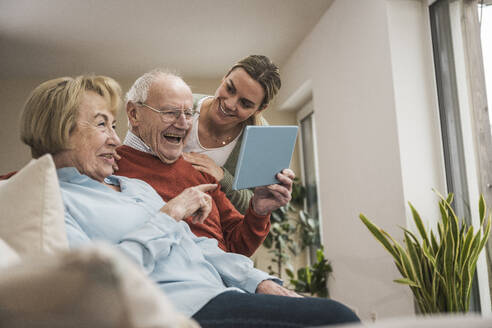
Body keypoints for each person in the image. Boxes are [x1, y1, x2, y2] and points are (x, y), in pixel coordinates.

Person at [19, 74, 360, 328]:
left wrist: (259, 278)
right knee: (335, 319)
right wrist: (170, 215)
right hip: (179, 310)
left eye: (188, 113)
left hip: (223, 293)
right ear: (61, 131)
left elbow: (205, 244)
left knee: (338, 314)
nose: (113, 137)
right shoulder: (49, 199)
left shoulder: (135, 186)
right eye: (101, 125)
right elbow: (93, 286)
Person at [116, 69, 293, 256]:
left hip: (221, 278)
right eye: (170, 112)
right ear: (134, 114)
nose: (183, 124)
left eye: (188, 113)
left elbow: (236, 246)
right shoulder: (109, 168)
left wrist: (259, 211)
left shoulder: (201, 171)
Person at [183, 55, 278, 214]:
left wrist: (222, 177)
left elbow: (254, 206)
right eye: (230, 88)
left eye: (245, 104)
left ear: (260, 109)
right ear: (225, 77)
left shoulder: (261, 139)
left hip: (213, 233)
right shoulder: (182, 105)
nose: (229, 104)